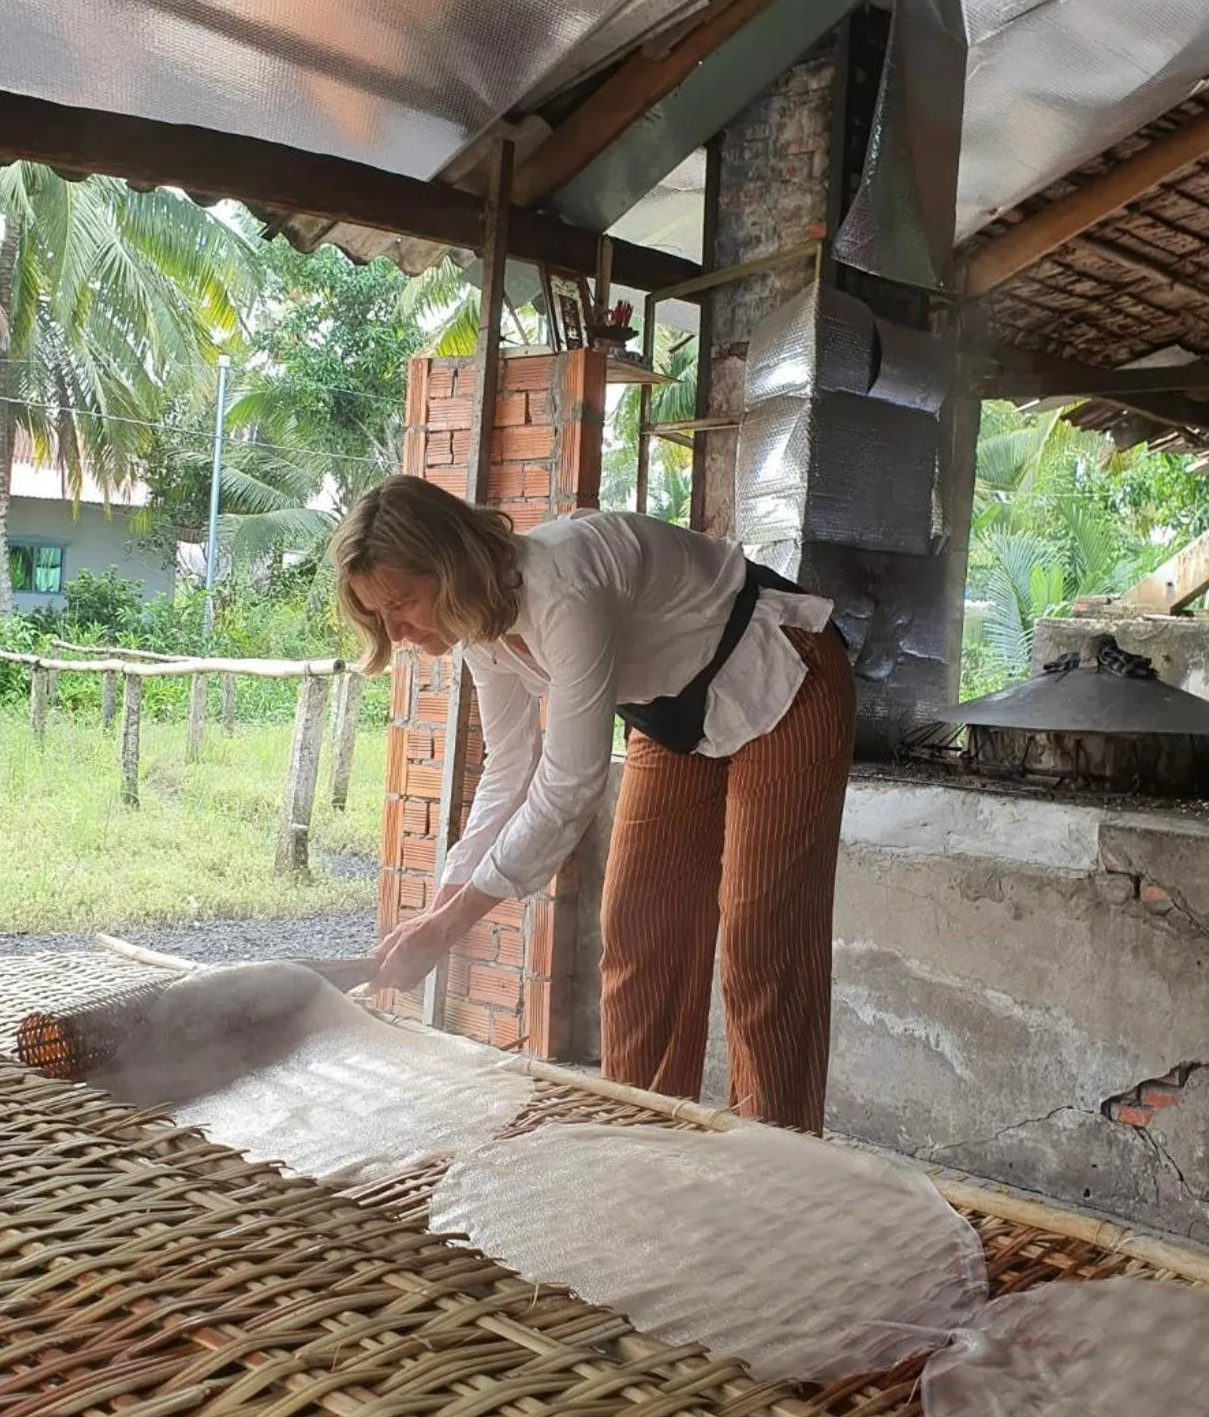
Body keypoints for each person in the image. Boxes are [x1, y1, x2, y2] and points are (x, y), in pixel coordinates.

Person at [335, 475, 856, 1133]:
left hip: (781, 667)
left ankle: (779, 1158)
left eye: (403, 603)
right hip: (671, 708)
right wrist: (438, 915)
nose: (397, 631)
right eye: (378, 616)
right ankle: (639, 1140)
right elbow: (509, 773)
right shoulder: (478, 632)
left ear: (450, 566)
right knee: (639, 927)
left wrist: (450, 927)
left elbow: (570, 781)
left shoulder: (564, 585)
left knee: (762, 939)